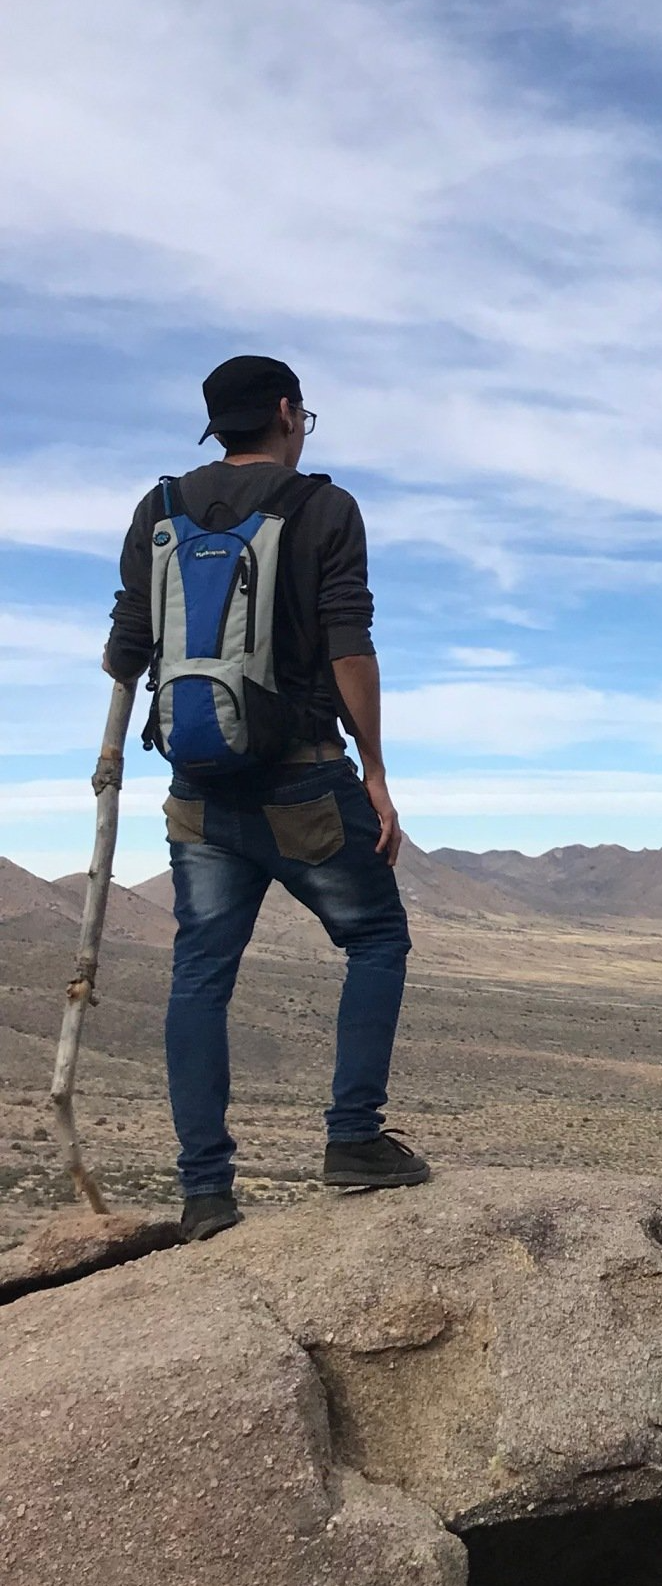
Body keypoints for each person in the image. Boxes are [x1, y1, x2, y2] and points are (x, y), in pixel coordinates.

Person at [104, 353, 429, 1241]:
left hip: (198, 789)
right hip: (303, 781)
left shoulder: (159, 509)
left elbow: (125, 649)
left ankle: (206, 1191)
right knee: (375, 937)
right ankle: (353, 1141)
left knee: (200, 976)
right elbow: (348, 643)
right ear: (288, 413)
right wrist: (374, 768)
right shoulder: (325, 507)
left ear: (218, 425)